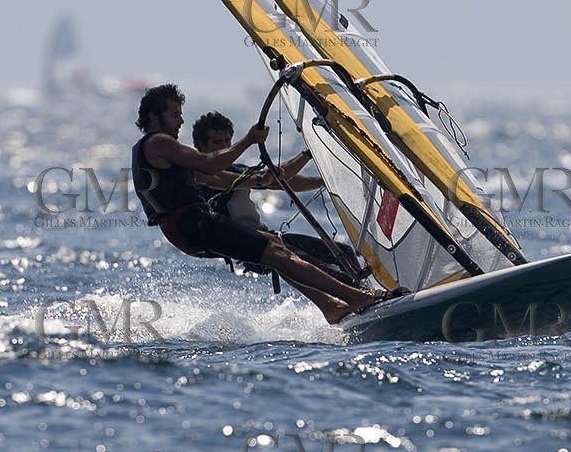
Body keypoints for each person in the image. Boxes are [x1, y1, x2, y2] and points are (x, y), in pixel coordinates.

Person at [131, 84, 391, 324]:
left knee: (276, 249)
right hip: (191, 224)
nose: (181, 120)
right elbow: (211, 164)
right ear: (154, 118)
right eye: (175, 114)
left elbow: (220, 178)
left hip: (187, 230)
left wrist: (263, 178)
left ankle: (331, 306)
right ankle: (357, 297)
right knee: (277, 252)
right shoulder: (159, 143)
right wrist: (249, 141)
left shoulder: (168, 155)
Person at [190, 110, 322, 229]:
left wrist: (319, 176)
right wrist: (250, 140)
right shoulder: (198, 174)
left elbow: (279, 180)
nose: (225, 146)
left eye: (227, 140)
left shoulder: (237, 170)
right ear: (200, 145)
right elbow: (219, 181)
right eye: (217, 142)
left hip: (259, 237)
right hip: (236, 244)